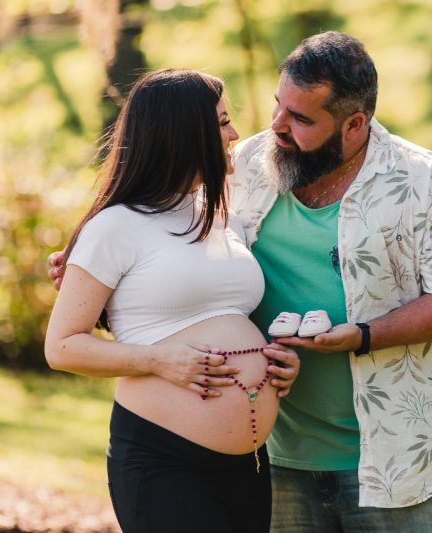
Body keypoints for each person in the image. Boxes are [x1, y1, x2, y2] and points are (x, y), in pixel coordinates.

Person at [228, 32, 432, 532]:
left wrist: (364, 336)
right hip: (270, 455)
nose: (277, 125)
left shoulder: (423, 180)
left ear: (354, 124)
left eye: (301, 118)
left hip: (399, 465)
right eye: (278, 105)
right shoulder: (243, 165)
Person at [44, 69, 300, 533]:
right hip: (165, 460)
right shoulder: (116, 226)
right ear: (185, 133)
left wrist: (272, 361)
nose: (235, 135)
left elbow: (225, 315)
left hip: (248, 466)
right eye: (223, 122)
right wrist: (160, 362)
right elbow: (61, 347)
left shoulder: (223, 217)